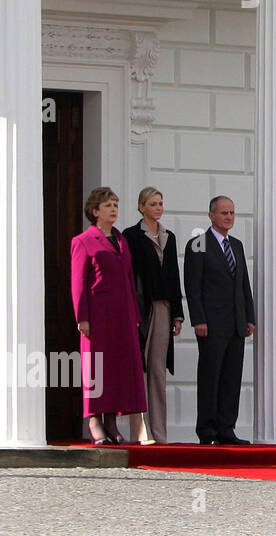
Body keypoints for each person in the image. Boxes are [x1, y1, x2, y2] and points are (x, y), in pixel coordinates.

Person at [70, 187, 149, 445]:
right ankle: (94, 420)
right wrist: (82, 317)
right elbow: (78, 282)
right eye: (107, 205)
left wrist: (135, 314)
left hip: (123, 316)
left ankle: (112, 422)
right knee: (96, 367)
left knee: (117, 369)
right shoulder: (82, 241)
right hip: (98, 316)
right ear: (95, 211)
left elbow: (129, 279)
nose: (113, 209)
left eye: (115, 204)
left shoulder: (121, 240)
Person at [184, 195, 255, 445]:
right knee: (210, 377)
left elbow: (243, 284)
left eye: (232, 213)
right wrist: (198, 319)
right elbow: (192, 286)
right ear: (211, 215)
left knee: (231, 377)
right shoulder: (198, 244)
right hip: (211, 324)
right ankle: (207, 430)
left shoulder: (236, 245)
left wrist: (249, 316)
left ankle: (227, 428)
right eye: (224, 213)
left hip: (235, 323)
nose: (229, 217)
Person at [122, 187, 183, 444]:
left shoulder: (169, 236)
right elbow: (129, 276)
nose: (158, 207)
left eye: (160, 203)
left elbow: (173, 275)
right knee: (140, 368)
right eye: (153, 203)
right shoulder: (131, 236)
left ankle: (159, 432)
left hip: (164, 308)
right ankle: (140, 430)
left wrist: (178, 314)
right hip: (141, 307)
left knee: (158, 370)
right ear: (141, 207)